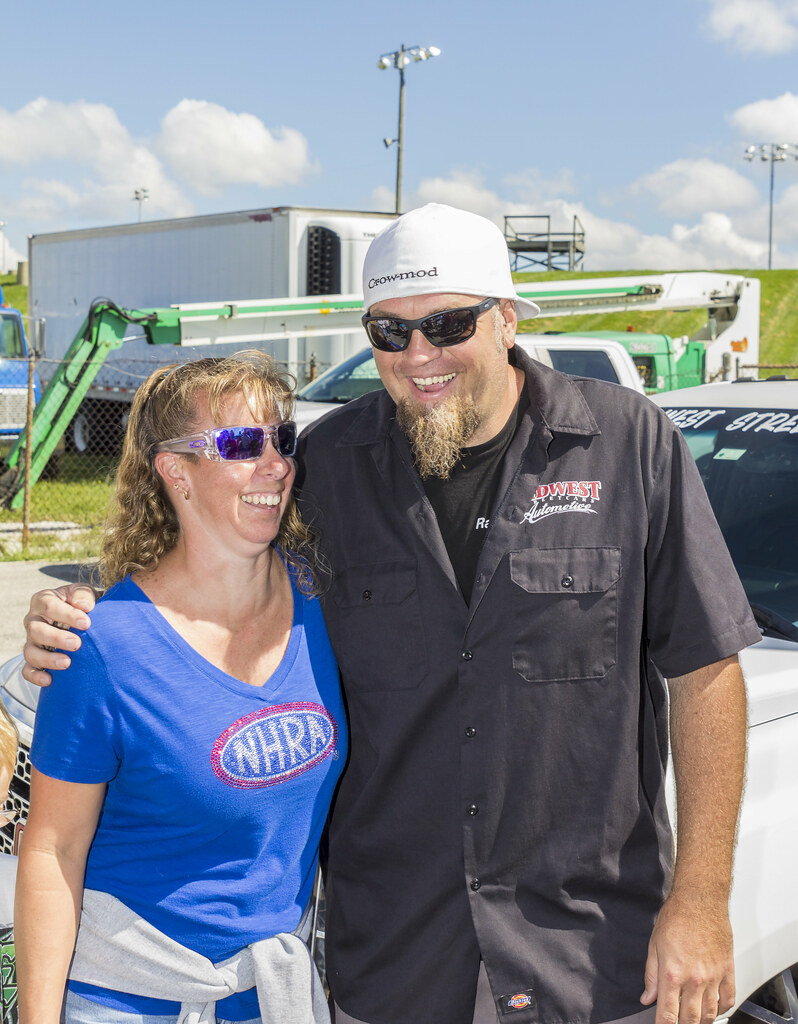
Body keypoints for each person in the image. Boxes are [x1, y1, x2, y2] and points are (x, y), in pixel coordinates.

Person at [22, 204, 759, 1024]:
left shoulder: (628, 444)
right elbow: (214, 569)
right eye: (390, 331)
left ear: (507, 319)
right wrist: (85, 613)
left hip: (591, 957)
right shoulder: (325, 466)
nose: (419, 355)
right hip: (398, 963)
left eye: (448, 324)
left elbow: (707, 672)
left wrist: (700, 900)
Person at [15, 352, 346, 1024]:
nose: (276, 464)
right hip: (127, 998)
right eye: (241, 444)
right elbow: (53, 850)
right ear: (175, 471)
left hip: (269, 995)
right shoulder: (102, 646)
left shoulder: (325, 603)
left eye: (282, 439)